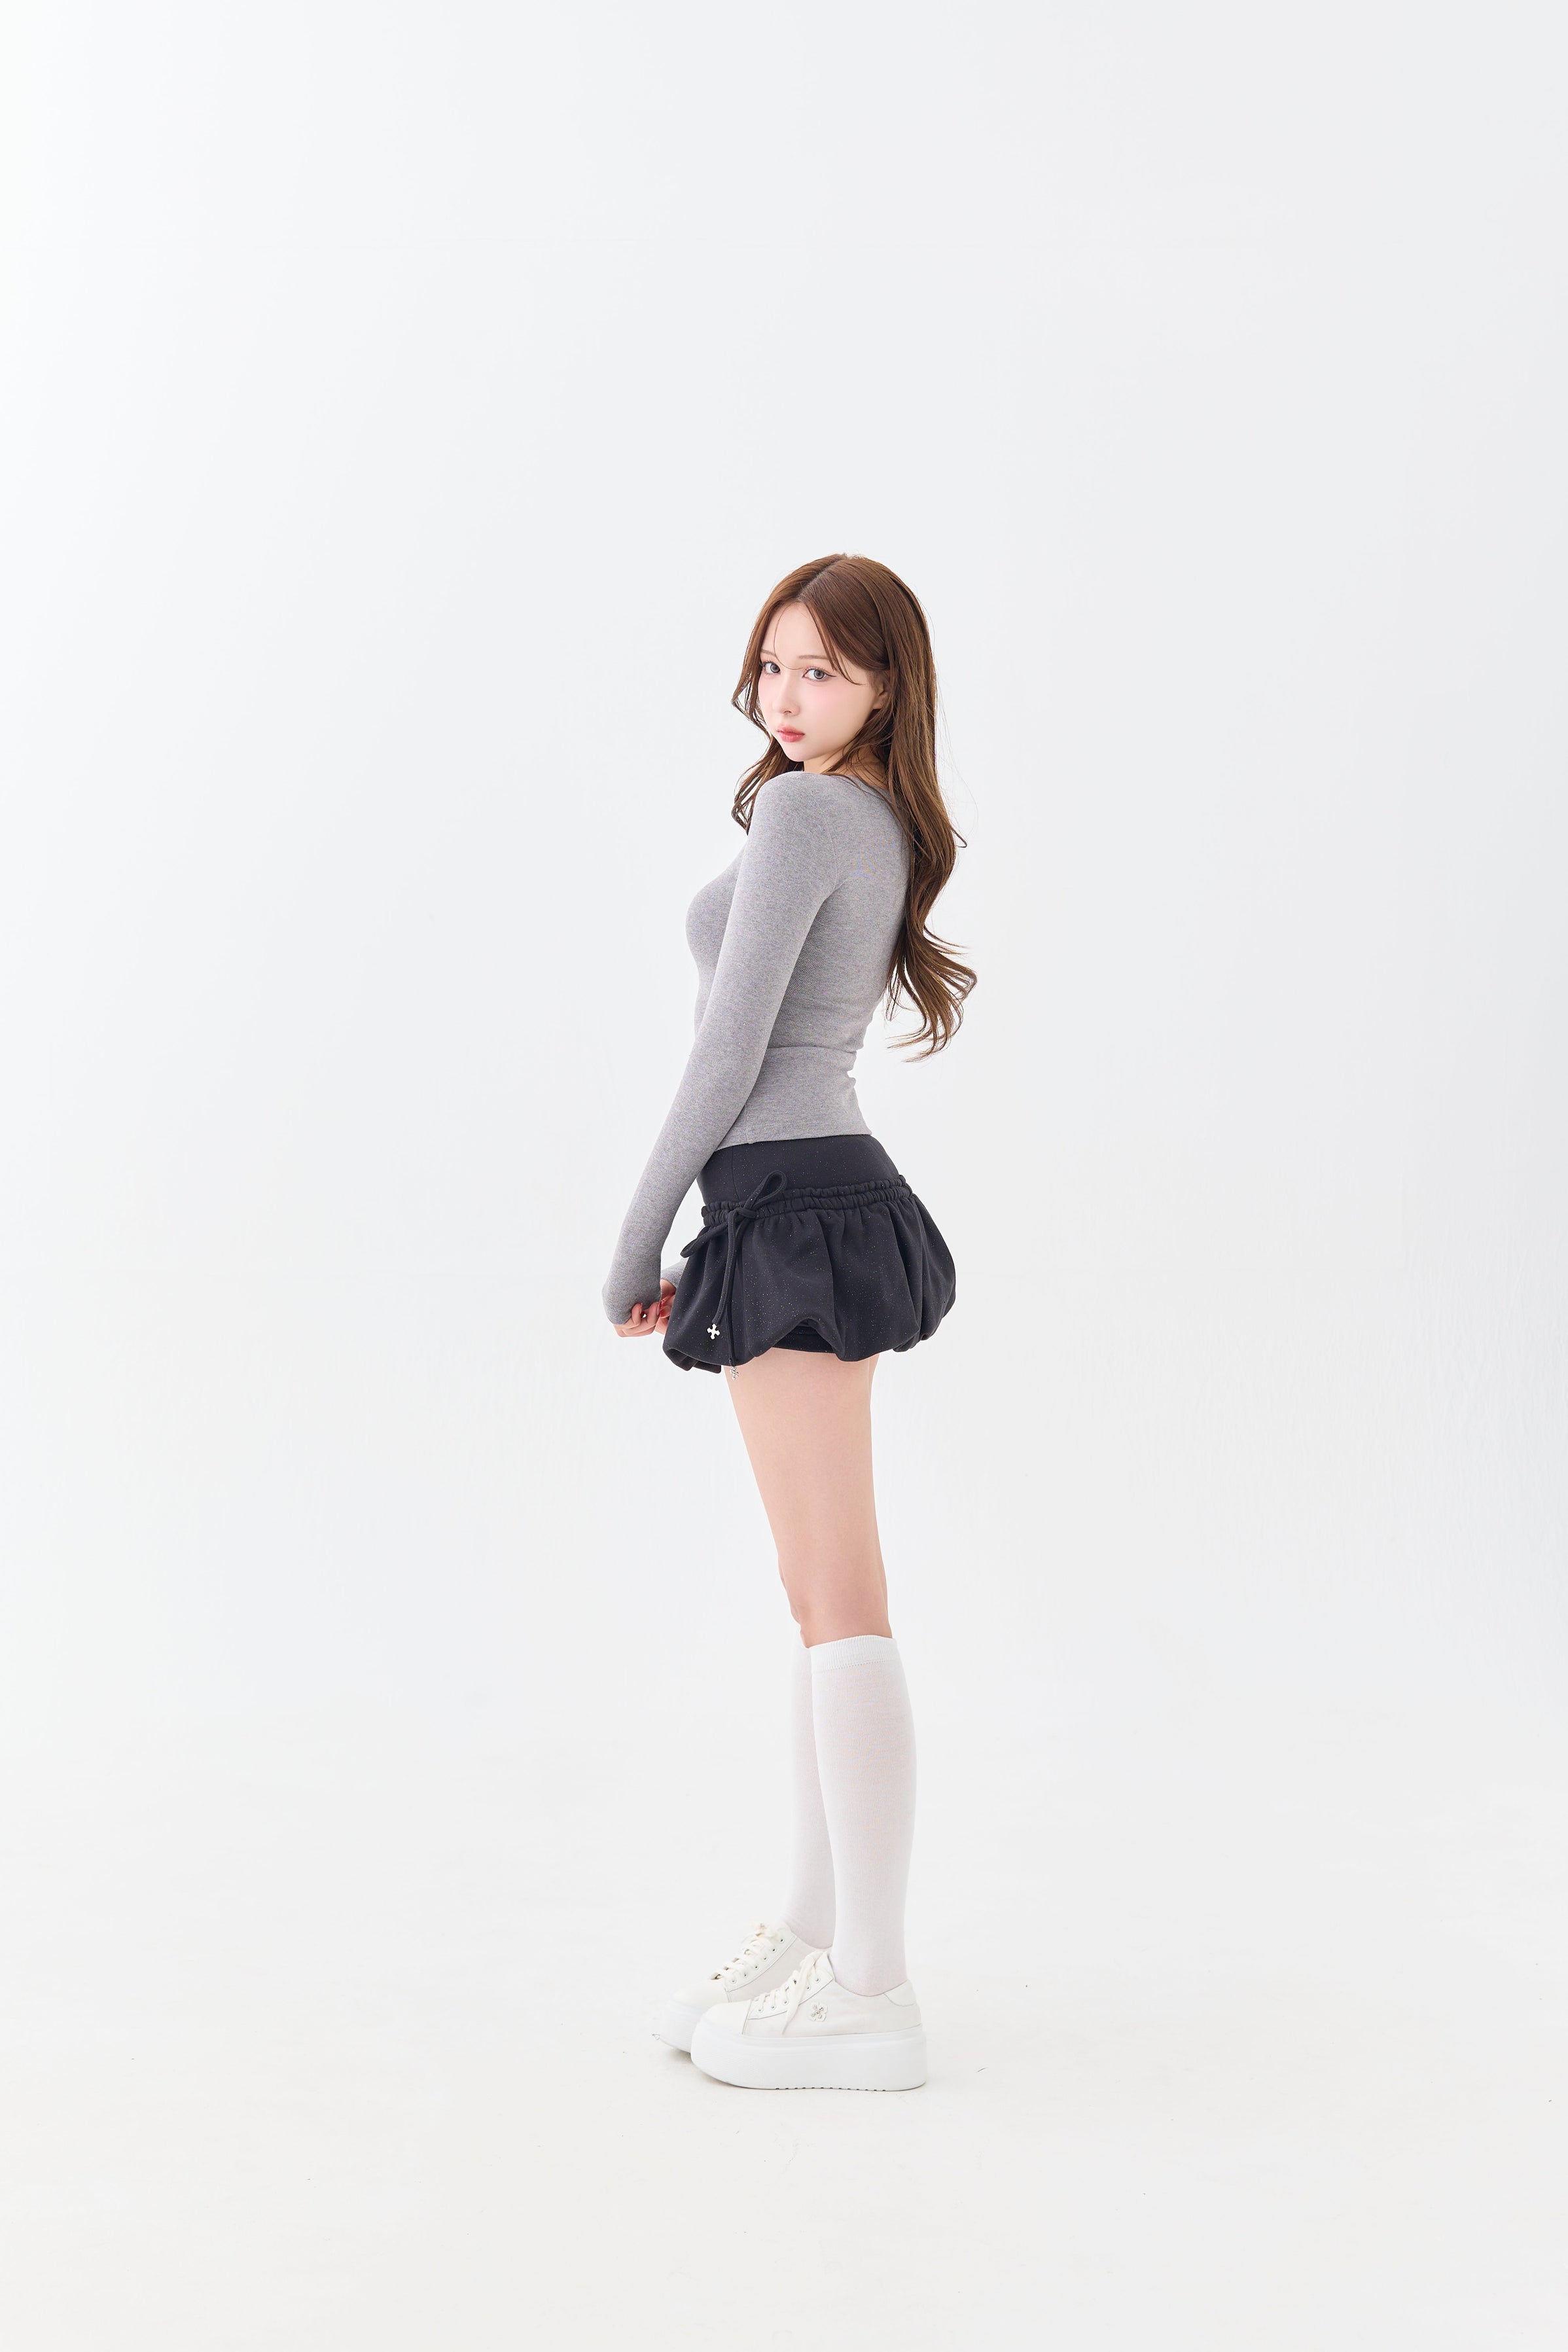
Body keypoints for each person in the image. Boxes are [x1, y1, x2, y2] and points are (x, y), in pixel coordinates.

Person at [601, 553, 973, 2092]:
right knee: (819, 1596)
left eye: (820, 669)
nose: (786, 695)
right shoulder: (863, 813)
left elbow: (726, 1052)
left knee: (841, 1599)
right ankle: (817, 1932)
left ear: (883, 683)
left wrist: (636, 1237)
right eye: (771, 667)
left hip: (792, 1197)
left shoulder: (813, 814)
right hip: (802, 1198)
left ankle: (873, 1988)